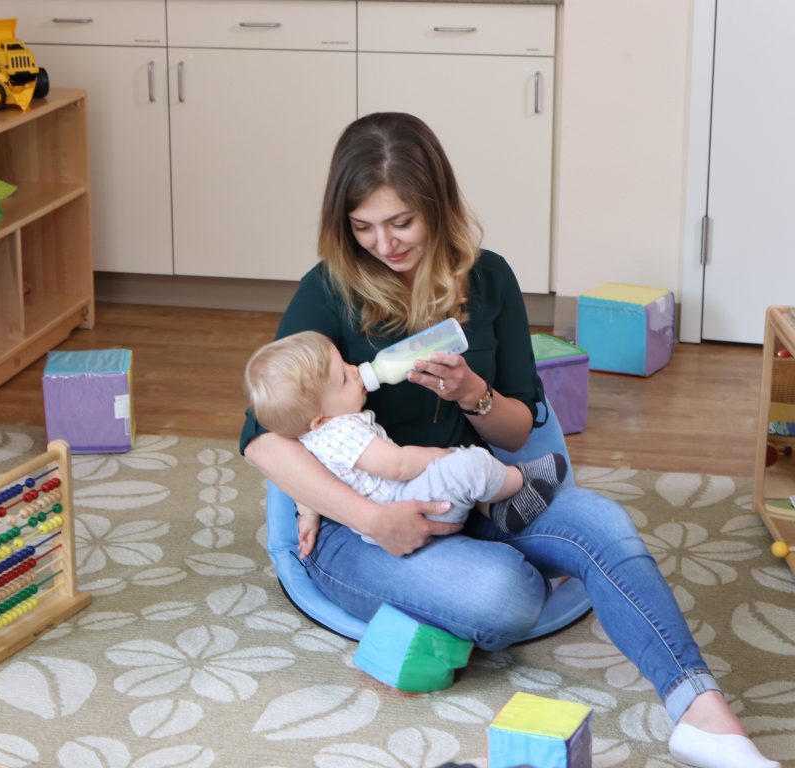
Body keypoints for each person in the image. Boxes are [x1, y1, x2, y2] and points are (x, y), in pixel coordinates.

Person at [238, 112, 779, 768]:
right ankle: (460, 581)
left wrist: (474, 394)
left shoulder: (489, 279)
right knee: (507, 595)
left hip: (469, 490)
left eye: (401, 221)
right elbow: (263, 439)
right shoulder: (328, 292)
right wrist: (371, 518)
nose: (384, 242)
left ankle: (700, 713)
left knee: (602, 523)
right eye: (363, 226)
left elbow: (523, 425)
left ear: (436, 204)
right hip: (357, 532)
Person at [244, 330, 567, 555]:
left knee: (463, 473)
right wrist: (442, 455)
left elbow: (306, 494)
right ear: (321, 419)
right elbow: (396, 465)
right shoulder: (340, 432)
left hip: (399, 506)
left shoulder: (312, 437)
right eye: (343, 377)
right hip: (406, 508)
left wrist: (308, 516)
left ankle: (492, 505)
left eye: (345, 363)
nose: (355, 371)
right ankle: (520, 483)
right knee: (471, 464)